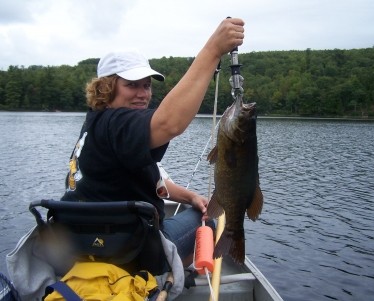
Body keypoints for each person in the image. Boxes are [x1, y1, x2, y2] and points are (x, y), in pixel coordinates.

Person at [60, 18, 245, 269]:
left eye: (146, 85)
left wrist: (190, 196)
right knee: (207, 223)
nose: (143, 93)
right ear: (106, 88)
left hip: (86, 240)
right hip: (129, 250)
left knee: (198, 209)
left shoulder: (97, 124)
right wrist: (213, 50)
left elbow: (154, 179)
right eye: (131, 85)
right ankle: (161, 278)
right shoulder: (118, 123)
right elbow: (169, 124)